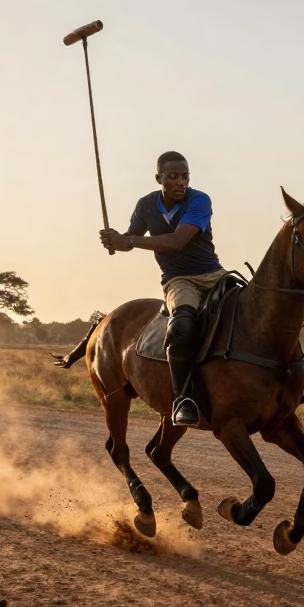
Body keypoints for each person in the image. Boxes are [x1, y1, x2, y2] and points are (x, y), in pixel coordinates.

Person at [99, 151, 225, 427]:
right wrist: (114, 241)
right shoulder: (146, 205)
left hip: (214, 274)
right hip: (180, 280)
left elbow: (177, 241)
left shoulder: (199, 200)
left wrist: (128, 241)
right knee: (181, 326)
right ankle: (182, 399)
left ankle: (282, 382)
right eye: (173, 177)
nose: (180, 182)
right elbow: (129, 239)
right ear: (159, 179)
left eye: (185, 176)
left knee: (258, 308)